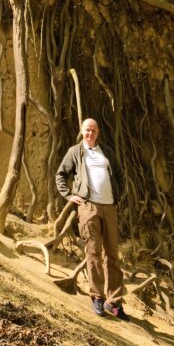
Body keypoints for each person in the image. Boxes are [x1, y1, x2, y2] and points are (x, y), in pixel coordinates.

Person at [55, 117, 127, 320]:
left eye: (93, 130)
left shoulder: (107, 152)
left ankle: (113, 303)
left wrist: (117, 195)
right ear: (82, 131)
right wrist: (70, 195)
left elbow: (120, 174)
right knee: (94, 252)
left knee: (112, 254)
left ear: (98, 132)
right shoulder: (75, 152)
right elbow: (60, 175)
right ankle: (97, 297)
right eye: (87, 130)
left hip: (109, 208)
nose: (90, 133)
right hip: (88, 207)